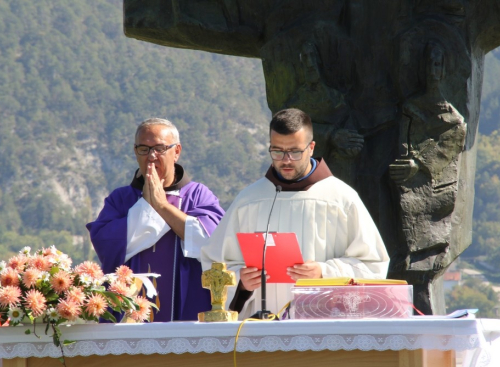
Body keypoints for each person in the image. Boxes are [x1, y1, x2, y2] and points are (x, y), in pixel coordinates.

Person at [201, 108, 389, 318]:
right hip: (260, 328)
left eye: (294, 151)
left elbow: (373, 265)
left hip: (325, 324)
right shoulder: (249, 200)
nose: (286, 160)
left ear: (311, 147)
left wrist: (323, 272)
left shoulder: (341, 199)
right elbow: (214, 264)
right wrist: (241, 281)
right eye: (277, 151)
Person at [87, 118, 224, 322]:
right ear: (135, 152)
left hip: (185, 311)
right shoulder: (121, 199)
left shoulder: (197, 195)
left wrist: (162, 206)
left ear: (176, 151)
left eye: (160, 148)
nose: (151, 156)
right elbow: (106, 245)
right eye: (144, 149)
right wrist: (146, 207)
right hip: (129, 315)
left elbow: (213, 243)